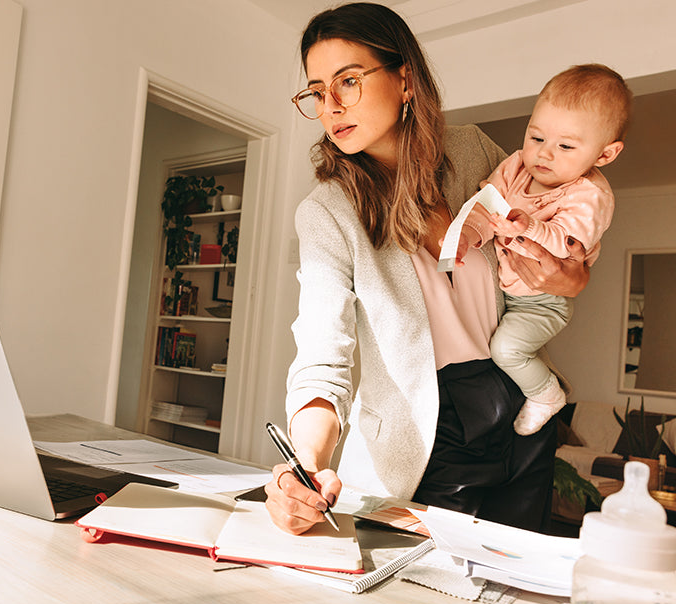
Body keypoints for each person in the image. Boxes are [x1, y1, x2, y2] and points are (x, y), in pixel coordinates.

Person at [266, 2, 589, 536]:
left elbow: (552, 238)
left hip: (519, 396)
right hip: (429, 428)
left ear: (406, 78)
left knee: (514, 577)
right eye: (318, 91)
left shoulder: (473, 150)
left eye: (348, 81)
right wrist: (307, 461)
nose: (331, 106)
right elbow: (324, 354)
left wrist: (574, 277)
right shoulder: (327, 213)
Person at [456, 64, 631, 436]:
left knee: (506, 350)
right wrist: (469, 233)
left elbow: (567, 243)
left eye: (565, 146)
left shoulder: (590, 195)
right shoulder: (517, 165)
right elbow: (486, 204)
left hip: (543, 302)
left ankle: (546, 394)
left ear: (605, 154)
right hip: (506, 291)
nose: (544, 155)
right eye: (536, 137)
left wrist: (530, 227)